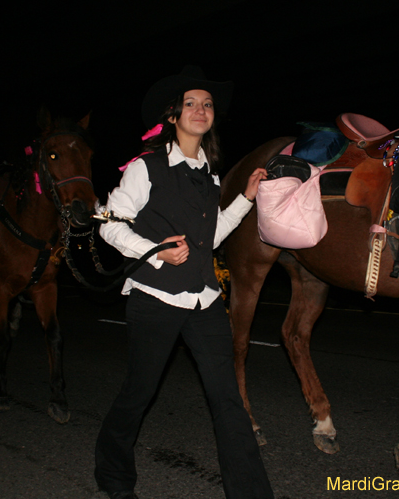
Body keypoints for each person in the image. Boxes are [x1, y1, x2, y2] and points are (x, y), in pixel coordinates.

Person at [93, 66, 274, 499]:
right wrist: (154, 251)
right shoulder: (146, 167)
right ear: (173, 115)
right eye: (191, 103)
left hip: (204, 300)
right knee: (139, 394)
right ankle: (113, 477)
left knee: (227, 398)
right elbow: (109, 223)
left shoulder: (209, 174)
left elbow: (210, 238)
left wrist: (245, 198)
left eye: (207, 104)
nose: (201, 110)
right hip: (155, 298)